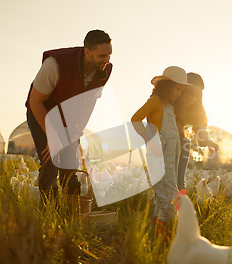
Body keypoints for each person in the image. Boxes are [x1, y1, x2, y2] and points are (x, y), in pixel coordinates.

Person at [25, 29, 113, 204]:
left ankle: (73, 210)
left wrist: (76, 132)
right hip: (43, 113)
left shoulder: (105, 70)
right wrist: (53, 136)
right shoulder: (55, 65)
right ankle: (51, 212)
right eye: (102, 56)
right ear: (87, 52)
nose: (107, 60)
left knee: (70, 164)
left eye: (109, 55)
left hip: (68, 120)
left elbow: (89, 102)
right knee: (51, 161)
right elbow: (36, 102)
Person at [131, 66, 192, 237]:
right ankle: (166, 234)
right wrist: (148, 139)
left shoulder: (170, 106)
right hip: (159, 151)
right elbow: (135, 119)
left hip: (171, 153)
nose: (180, 93)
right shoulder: (155, 101)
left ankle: (158, 233)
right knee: (168, 193)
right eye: (178, 89)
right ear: (167, 86)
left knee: (164, 193)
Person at [174, 72, 219, 190]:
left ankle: (178, 205)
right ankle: (163, 206)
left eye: (197, 96)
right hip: (164, 143)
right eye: (191, 94)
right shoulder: (169, 105)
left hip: (181, 144)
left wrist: (208, 141)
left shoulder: (195, 110)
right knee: (166, 179)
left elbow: (200, 129)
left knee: (179, 179)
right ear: (182, 89)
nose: (193, 99)